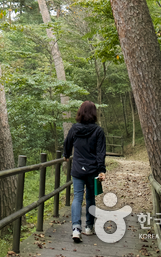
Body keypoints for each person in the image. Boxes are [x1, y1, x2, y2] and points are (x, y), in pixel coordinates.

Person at [63, 101, 106, 243]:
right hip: (92, 170)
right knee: (90, 198)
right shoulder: (98, 131)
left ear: (80, 112)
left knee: (77, 197)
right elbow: (101, 152)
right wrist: (101, 170)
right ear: (94, 113)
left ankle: (76, 228)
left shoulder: (74, 129)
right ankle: (89, 227)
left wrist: (66, 155)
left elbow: (67, 143)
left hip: (77, 169)